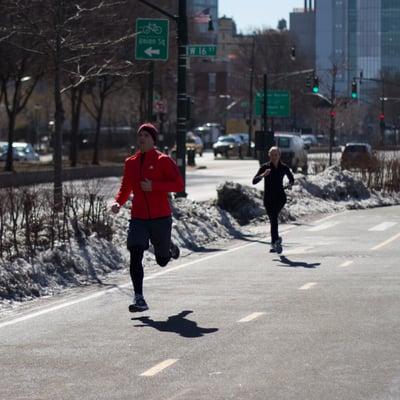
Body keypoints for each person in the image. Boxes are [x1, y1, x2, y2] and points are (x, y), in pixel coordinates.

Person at [111, 123, 184, 312]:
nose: (141, 138)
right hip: (139, 217)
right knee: (135, 253)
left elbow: (178, 184)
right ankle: (139, 298)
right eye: (139, 135)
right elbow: (125, 187)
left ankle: (168, 247)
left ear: (153, 140)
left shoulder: (163, 160)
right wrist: (118, 202)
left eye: (146, 135)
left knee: (161, 261)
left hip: (161, 217)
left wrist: (155, 186)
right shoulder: (131, 163)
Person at [252, 146, 294, 254]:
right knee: (273, 220)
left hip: (280, 198)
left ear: (279, 155)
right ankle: (274, 242)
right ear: (269, 155)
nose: (274, 157)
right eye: (272, 155)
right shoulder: (265, 167)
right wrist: (263, 175)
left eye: (276, 155)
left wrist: (289, 184)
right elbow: (254, 181)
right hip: (268, 198)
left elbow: (291, 179)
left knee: (274, 217)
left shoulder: (284, 167)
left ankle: (275, 242)